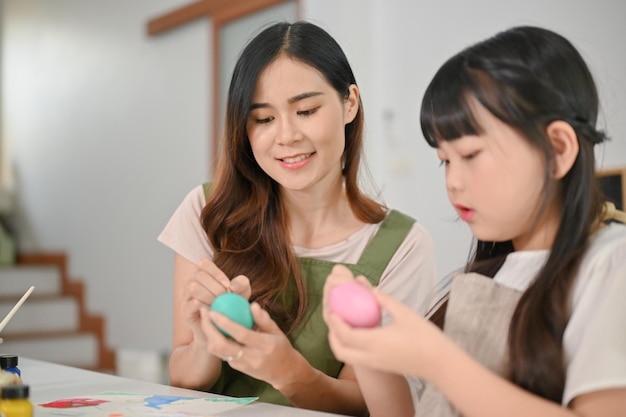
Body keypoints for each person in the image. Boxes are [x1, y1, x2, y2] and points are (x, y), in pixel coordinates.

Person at [322, 25, 626, 417]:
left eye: (470, 155)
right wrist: (366, 344)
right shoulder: (490, 275)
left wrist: (437, 360)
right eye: (445, 161)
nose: (453, 181)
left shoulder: (610, 264)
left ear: (557, 148)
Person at [157, 20, 437, 415]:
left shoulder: (403, 246)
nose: (286, 135)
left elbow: (376, 405)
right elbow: (183, 379)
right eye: (264, 119)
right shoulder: (207, 211)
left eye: (305, 110)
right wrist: (205, 343)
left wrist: (290, 373)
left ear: (349, 103)